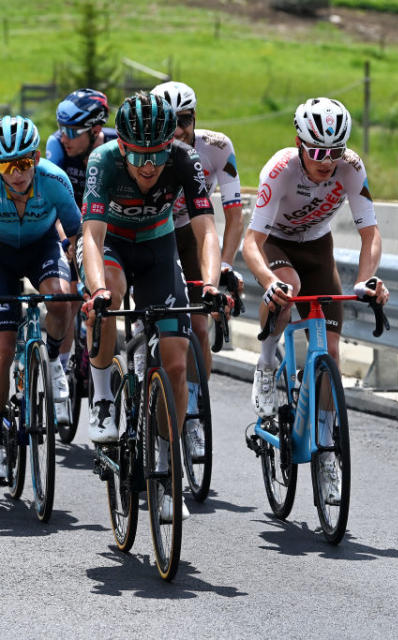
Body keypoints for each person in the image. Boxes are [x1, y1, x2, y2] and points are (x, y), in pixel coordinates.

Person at [80, 92, 222, 520]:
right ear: (122, 145)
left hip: (159, 248)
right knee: (114, 292)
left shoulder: (183, 159)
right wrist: (97, 290)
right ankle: (103, 397)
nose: (149, 166)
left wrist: (212, 284)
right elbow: (91, 234)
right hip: (114, 247)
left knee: (176, 364)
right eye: (139, 155)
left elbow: (206, 229)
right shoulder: (102, 161)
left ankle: (164, 455)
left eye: (157, 154)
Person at [241, 96, 389, 504]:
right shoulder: (281, 168)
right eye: (318, 151)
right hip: (277, 244)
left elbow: (370, 233)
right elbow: (250, 242)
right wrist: (268, 281)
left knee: (333, 355)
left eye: (335, 151)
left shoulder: (351, 167)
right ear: (299, 143)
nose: (327, 161)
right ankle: (267, 363)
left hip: (317, 244)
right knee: (288, 286)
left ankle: (325, 451)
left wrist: (367, 280)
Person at [0, 115, 80, 482]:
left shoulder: (54, 180)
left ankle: (53, 358)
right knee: (2, 348)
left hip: (42, 247)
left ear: (37, 157)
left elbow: (77, 236)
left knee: (60, 299)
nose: (17, 173)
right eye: (7, 165)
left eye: (24, 162)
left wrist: (88, 279)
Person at [150, 80, 244, 458]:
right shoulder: (147, 149)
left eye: (185, 120)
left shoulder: (218, 148)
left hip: (191, 230)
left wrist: (222, 268)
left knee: (200, 325)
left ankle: (190, 415)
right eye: (169, 122)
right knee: (154, 324)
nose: (178, 131)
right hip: (153, 230)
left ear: (196, 118)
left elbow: (234, 217)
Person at [44, 88, 118, 409]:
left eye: (72, 131)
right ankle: (59, 366)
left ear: (96, 131)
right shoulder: (56, 148)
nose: (64, 137)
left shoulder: (116, 144)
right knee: (71, 298)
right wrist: (67, 241)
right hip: (66, 223)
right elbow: (51, 200)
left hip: (101, 224)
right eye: (61, 128)